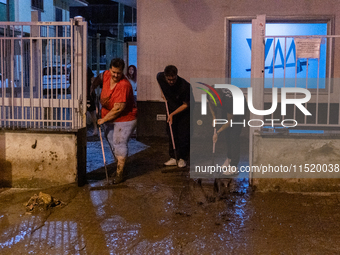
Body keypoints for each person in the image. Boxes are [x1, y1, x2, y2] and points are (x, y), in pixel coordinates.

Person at [92, 58, 137, 184]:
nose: (116, 75)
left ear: (122, 71)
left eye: (118, 73)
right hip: (108, 116)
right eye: (114, 72)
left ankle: (120, 174)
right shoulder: (106, 74)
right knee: (112, 142)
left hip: (125, 118)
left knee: (119, 142)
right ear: (110, 69)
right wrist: (92, 86)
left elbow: (118, 109)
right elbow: (100, 77)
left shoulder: (124, 85)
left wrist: (103, 120)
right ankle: (119, 165)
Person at [157, 65, 193, 168]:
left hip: (185, 111)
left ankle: (183, 158)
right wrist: (162, 92)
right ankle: (174, 157)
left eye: (173, 79)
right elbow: (158, 80)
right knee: (171, 132)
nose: (171, 82)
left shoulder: (185, 86)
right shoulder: (160, 77)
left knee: (184, 135)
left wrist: (172, 114)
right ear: (166, 76)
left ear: (176, 76)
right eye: (169, 80)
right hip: (171, 108)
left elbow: (186, 104)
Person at [209, 87, 247, 177]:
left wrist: (217, 133)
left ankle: (234, 166)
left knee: (234, 136)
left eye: (217, 102)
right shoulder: (210, 93)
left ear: (221, 99)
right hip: (226, 107)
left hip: (239, 107)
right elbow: (211, 104)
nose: (215, 104)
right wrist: (214, 117)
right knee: (227, 135)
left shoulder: (229, 102)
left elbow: (229, 122)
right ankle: (229, 159)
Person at [86, 67, 98, 136]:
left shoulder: (87, 68)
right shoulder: (74, 69)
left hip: (88, 94)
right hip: (80, 93)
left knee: (92, 111)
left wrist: (92, 88)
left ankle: (95, 128)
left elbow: (92, 78)